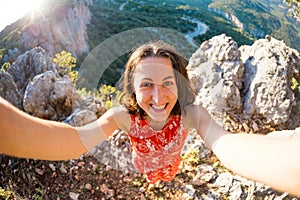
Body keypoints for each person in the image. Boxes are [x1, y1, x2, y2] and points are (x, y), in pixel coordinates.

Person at [0, 41, 300, 197]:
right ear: (132, 88)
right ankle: (154, 183)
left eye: (168, 83)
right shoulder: (122, 117)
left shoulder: (191, 115)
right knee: (150, 174)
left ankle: (161, 181)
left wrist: (289, 159)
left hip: (171, 160)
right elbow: (74, 141)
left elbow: (226, 143)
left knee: (166, 174)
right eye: (146, 84)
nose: (158, 97)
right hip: (143, 160)